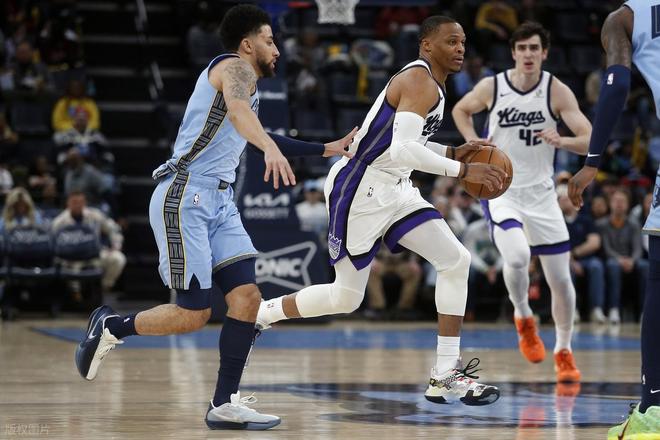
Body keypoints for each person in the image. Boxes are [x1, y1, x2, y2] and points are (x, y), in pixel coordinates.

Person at [73, 4, 354, 431]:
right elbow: (241, 116)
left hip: (219, 202)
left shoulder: (246, 87)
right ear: (247, 44)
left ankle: (224, 403)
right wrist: (270, 149)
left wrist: (325, 148)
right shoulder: (234, 68)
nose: (277, 49)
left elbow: (253, 128)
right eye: (269, 40)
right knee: (194, 313)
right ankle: (111, 326)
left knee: (247, 299)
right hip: (185, 194)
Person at [257, 16, 506, 406]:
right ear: (426, 45)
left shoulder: (434, 84)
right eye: (451, 41)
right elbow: (403, 149)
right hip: (361, 187)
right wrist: (461, 170)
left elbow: (404, 144)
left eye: (463, 42)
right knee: (346, 298)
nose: (460, 49)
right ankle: (262, 313)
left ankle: (445, 374)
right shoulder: (419, 80)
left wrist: (453, 151)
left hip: (396, 185)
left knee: (455, 260)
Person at [452, 21, 592, 383]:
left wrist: (562, 141)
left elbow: (588, 137)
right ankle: (523, 316)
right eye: (522, 48)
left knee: (561, 280)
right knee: (516, 257)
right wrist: (473, 141)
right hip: (503, 190)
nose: (528, 54)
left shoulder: (556, 90)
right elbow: (461, 110)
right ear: (513, 53)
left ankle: (564, 350)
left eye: (534, 48)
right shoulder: (493, 86)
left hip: (543, 195)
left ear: (544, 53)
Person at [567, 2, 660, 437]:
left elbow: (616, 83)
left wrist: (592, 161)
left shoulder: (627, 16)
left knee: (658, 282)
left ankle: (654, 408)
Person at [52, 191, 126, 293]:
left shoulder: (95, 215)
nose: (78, 205)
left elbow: (114, 229)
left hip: (94, 255)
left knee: (118, 258)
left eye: (80, 202)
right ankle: (74, 294)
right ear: (68, 203)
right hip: (70, 259)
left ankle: (103, 288)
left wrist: (116, 245)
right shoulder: (59, 222)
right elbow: (52, 243)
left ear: (84, 202)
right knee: (67, 275)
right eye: (74, 202)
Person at [557, 184, 605, 324]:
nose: (563, 201)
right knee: (567, 269)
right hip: (565, 260)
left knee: (596, 266)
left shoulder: (586, 219)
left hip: (586, 260)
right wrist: (571, 260)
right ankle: (572, 310)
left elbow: (594, 242)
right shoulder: (557, 221)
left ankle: (596, 309)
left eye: (566, 198)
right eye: (561, 199)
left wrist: (575, 253)